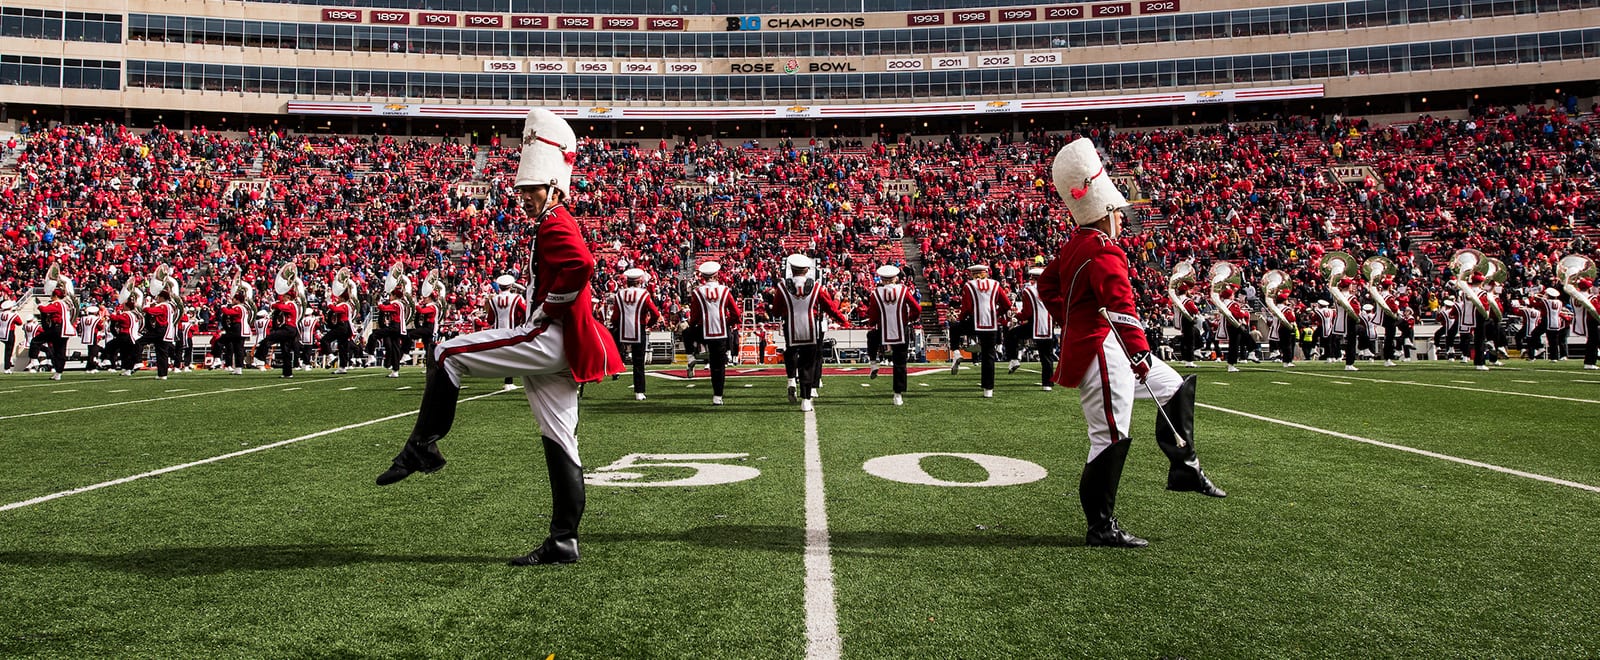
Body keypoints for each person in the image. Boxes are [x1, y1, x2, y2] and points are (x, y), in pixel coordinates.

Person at [376, 109, 623, 567]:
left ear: (553, 188)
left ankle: (422, 447)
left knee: (447, 351)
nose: (524, 197)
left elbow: (583, 265)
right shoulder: (553, 221)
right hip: (562, 344)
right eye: (523, 190)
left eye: (531, 190)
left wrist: (550, 307)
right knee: (561, 440)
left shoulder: (555, 222)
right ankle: (564, 541)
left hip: (550, 337)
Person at [1034, 138, 1225, 549]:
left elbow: (1047, 285)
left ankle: (1184, 466)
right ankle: (1101, 527)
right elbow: (1121, 309)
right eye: (1118, 212)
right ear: (1106, 213)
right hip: (1103, 349)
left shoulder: (1075, 245)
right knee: (1109, 436)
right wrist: (1134, 351)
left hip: (1104, 344)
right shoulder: (1103, 250)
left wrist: (1073, 317)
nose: (1121, 218)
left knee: (1173, 384)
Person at [768, 254, 848, 412]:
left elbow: (776, 311)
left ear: (791, 269)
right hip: (811, 328)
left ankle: (791, 379)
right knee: (808, 364)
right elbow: (829, 307)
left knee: (790, 352)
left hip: (791, 327)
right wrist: (843, 320)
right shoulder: (817, 287)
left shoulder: (782, 287)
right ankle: (806, 399)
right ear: (807, 270)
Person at [952, 264, 1012, 398]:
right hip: (991, 324)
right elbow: (1007, 304)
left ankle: (956, 352)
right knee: (988, 357)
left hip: (975, 322)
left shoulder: (969, 285)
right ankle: (988, 390)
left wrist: (961, 319)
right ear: (986, 273)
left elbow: (966, 308)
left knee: (955, 328)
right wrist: (996, 313)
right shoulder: (995, 284)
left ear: (973, 274)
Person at [685, 261, 740, 405]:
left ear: (702, 276)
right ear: (717, 274)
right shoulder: (725, 290)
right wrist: (726, 323)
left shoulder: (698, 292)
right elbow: (736, 314)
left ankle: (691, 355)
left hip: (704, 331)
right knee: (718, 366)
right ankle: (717, 397)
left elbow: (695, 316)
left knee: (686, 332)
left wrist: (693, 328)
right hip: (721, 333)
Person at [866, 264, 921, 405]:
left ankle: (873, 362)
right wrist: (911, 319)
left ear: (882, 279)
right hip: (901, 329)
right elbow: (917, 308)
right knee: (900, 362)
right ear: (895, 278)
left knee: (871, 337)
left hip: (883, 329)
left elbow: (872, 314)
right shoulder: (903, 290)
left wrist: (873, 323)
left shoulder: (875, 293)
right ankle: (898, 394)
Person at [609, 268, 661, 401]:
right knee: (639, 362)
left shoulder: (619, 294)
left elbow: (615, 316)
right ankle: (639, 392)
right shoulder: (644, 294)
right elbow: (655, 313)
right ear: (639, 281)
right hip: (639, 329)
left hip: (622, 329)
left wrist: (617, 326)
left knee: (617, 348)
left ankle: (615, 367)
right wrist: (649, 325)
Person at [1006, 266, 1057, 391]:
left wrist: (1016, 315)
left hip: (1034, 324)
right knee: (1047, 355)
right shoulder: (1053, 290)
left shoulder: (1029, 291)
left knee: (1011, 335)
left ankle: (1014, 359)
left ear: (1032, 278)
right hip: (1048, 325)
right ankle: (1047, 384)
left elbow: (1027, 313)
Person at [487, 274, 528, 390]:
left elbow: (490, 320)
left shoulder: (493, 299)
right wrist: (521, 321)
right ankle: (508, 381)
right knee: (512, 355)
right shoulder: (517, 297)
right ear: (510, 286)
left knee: (505, 355)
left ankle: (507, 378)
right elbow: (525, 312)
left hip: (497, 330)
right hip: (512, 329)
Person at [34, 270, 77, 381]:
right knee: (60, 351)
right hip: (64, 330)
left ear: (55, 296)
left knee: (36, 340)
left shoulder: (57, 303)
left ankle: (33, 358)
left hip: (58, 329)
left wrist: (39, 304)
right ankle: (58, 373)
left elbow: (45, 310)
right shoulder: (64, 304)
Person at [1219, 285, 1249, 373]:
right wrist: (1243, 312)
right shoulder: (1233, 304)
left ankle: (1251, 351)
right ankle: (1232, 364)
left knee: (1240, 341)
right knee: (1234, 346)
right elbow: (1238, 315)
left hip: (1230, 326)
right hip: (1234, 326)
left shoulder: (1224, 303)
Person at [77, 304, 106, 373]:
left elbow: (79, 327)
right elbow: (100, 327)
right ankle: (92, 367)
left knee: (90, 351)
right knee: (93, 352)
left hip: (86, 335)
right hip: (93, 335)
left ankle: (88, 366)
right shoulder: (97, 318)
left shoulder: (83, 318)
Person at [0, 300, 21, 373]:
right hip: (10, 333)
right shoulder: (13, 314)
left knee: (7, 350)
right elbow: (20, 322)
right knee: (9, 350)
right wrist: (16, 312)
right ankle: (7, 367)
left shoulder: (1, 314)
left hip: (1, 333)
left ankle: (8, 364)